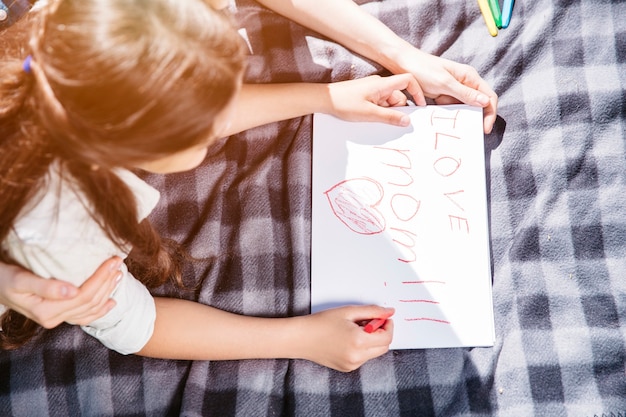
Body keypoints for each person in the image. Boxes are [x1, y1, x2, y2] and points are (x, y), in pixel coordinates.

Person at [1, 0, 499, 341]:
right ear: (126, 148)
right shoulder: (57, 230)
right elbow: (136, 323)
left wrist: (397, 57)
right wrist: (300, 339)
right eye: (205, 127)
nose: (229, 117)